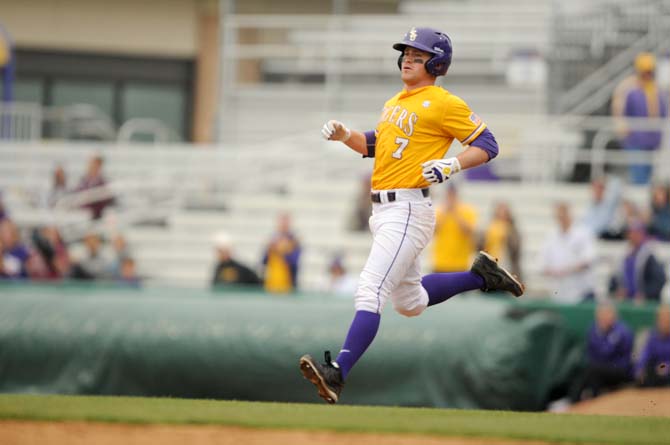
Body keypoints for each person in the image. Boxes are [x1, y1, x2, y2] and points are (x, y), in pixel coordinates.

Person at [299, 27, 524, 404]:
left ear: (436, 63)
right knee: (410, 303)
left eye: (418, 55)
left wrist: (452, 164)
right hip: (385, 210)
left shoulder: (443, 102)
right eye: (406, 52)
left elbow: (488, 144)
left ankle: (337, 372)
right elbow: (373, 144)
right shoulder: (395, 102)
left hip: (407, 208)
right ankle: (481, 277)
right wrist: (344, 135)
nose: (407, 58)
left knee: (370, 290)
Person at [611, 52, 669, 184]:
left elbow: (663, 112)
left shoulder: (657, 90)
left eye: (650, 71)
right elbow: (621, 112)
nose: (648, 74)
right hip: (636, 140)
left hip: (653, 140)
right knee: (639, 177)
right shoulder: (629, 88)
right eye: (645, 71)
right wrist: (624, 130)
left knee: (650, 177)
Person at [570, 303, 634, 402]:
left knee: (593, 370)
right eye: (601, 316)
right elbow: (590, 352)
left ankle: (575, 401)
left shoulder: (622, 331)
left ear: (614, 316)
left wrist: (601, 334)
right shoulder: (593, 329)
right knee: (591, 372)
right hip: (599, 368)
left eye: (606, 315)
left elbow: (606, 352)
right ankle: (588, 401)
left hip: (620, 369)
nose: (603, 318)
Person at [539, 202, 597, 304]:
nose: (561, 218)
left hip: (582, 292)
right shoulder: (551, 236)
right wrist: (554, 271)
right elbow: (541, 264)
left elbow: (589, 259)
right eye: (558, 215)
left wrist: (567, 270)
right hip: (560, 294)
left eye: (563, 214)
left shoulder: (583, 233)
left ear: (569, 214)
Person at [610, 220, 666, 304]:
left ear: (642, 234)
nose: (633, 236)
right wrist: (617, 290)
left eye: (636, 233)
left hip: (646, 301)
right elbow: (614, 279)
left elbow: (660, 280)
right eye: (631, 233)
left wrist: (645, 294)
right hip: (625, 301)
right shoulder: (624, 255)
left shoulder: (650, 254)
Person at [432, 184, 478, 273]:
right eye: (449, 195)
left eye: (452, 195)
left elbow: (468, 232)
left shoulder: (467, 210)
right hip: (441, 262)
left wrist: (455, 213)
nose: (451, 198)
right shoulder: (439, 211)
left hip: (460, 263)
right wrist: (445, 213)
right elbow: (434, 231)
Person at [261, 213, 301, 293]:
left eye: (285, 222)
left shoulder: (294, 241)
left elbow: (294, 263)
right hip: (271, 284)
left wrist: (282, 251)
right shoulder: (272, 240)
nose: (283, 225)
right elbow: (264, 261)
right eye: (281, 222)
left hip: (288, 285)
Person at [482, 201, 522, 280]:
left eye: (504, 212)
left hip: (507, 265)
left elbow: (515, 249)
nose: (502, 214)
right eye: (500, 212)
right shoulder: (490, 227)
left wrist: (506, 236)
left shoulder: (512, 229)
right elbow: (481, 246)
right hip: (491, 266)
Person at [636, 305, 670, 387]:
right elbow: (645, 355)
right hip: (654, 373)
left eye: (667, 319)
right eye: (661, 320)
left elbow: (665, 366)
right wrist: (640, 369)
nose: (664, 323)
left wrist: (665, 367)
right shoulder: (653, 337)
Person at [75, 155, 115, 219]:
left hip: (95, 216)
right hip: (81, 212)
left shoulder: (103, 183)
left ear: (99, 166)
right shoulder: (83, 180)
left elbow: (107, 201)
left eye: (93, 165)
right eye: (90, 164)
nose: (91, 167)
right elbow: (76, 193)